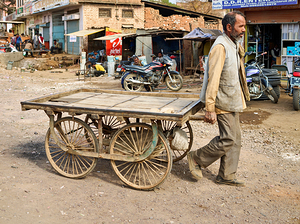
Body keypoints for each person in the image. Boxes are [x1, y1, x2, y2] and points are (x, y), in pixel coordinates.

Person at [187, 11, 250, 187]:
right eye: (241, 26)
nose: (244, 30)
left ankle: (226, 175)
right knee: (228, 138)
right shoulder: (220, 46)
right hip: (222, 100)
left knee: (235, 139)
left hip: (232, 100)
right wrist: (210, 107)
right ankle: (196, 157)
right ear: (229, 27)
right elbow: (212, 79)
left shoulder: (233, 44)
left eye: (244, 26)